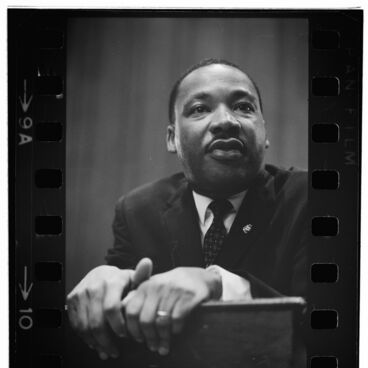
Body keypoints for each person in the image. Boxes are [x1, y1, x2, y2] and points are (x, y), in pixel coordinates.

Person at [67, 58, 307, 361]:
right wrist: (107, 282)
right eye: (199, 109)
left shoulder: (308, 198)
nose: (226, 121)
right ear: (172, 139)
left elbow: (324, 328)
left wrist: (215, 283)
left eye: (244, 107)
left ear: (265, 132)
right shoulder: (139, 210)